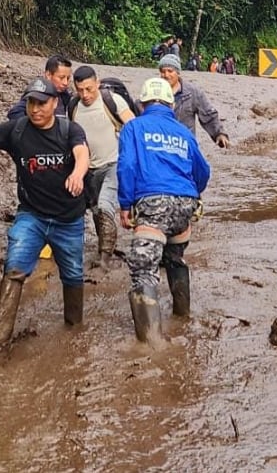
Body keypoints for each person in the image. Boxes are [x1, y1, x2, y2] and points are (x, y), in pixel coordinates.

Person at [0, 77, 90, 353]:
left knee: (72, 274)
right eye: (30, 103)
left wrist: (77, 173)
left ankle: (74, 328)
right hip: (31, 215)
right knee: (14, 267)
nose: (35, 109)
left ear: (54, 103)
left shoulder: (69, 129)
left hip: (68, 218)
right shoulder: (17, 130)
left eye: (41, 103)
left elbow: (82, 154)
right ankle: (0, 333)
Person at [117, 77, 211, 343]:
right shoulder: (183, 132)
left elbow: (126, 166)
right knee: (175, 258)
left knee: (143, 267)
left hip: (153, 202)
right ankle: (183, 317)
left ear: (142, 103)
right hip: (184, 204)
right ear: (171, 104)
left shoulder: (133, 127)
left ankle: (152, 345)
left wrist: (125, 204)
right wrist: (192, 193)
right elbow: (203, 171)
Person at [68, 66, 135, 269]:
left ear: (97, 83)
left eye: (89, 89)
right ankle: (104, 245)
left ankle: (104, 259)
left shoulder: (112, 100)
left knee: (105, 205)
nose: (85, 95)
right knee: (97, 210)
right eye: (80, 90)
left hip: (114, 163)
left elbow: (134, 127)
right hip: (89, 169)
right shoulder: (73, 106)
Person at [157, 54, 230, 148]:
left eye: (170, 71)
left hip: (185, 145)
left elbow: (208, 115)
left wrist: (220, 134)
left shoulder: (192, 92)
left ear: (178, 72)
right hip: (160, 145)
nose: (166, 75)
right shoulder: (154, 92)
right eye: (163, 72)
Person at [7, 54, 73, 120]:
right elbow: (14, 113)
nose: (65, 83)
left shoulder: (65, 96)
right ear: (48, 75)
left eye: (68, 78)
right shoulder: (37, 93)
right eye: (61, 78)